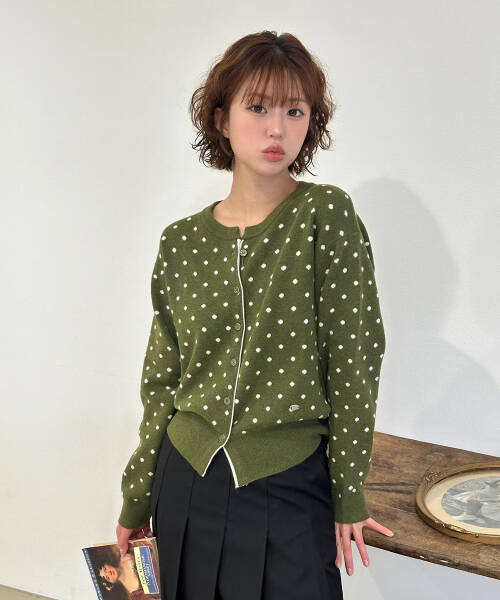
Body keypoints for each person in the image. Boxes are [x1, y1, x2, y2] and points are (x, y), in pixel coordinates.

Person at [116, 29, 394, 599]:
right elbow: (161, 381)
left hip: (288, 483)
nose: (277, 129)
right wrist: (136, 497)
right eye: (258, 107)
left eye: (295, 111)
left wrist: (348, 493)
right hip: (185, 480)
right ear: (221, 119)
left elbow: (354, 361)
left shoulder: (324, 216)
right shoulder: (181, 242)